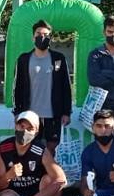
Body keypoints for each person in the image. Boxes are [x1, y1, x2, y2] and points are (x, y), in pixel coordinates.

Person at [11, 19, 72, 150]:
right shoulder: (23, 59)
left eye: (46, 35)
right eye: (39, 34)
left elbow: (66, 86)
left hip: (53, 115)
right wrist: (17, 111)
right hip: (30, 116)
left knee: (51, 150)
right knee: (30, 149)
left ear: (50, 38)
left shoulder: (58, 58)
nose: (42, 37)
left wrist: (66, 112)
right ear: (33, 37)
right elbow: (17, 87)